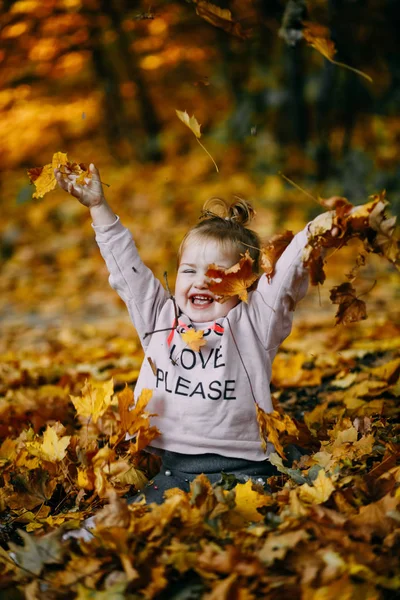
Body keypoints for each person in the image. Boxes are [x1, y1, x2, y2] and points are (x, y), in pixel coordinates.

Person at [55, 163, 332, 504]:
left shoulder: (255, 322)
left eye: (216, 272)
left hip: (247, 470)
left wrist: (315, 232)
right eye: (189, 270)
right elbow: (127, 271)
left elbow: (286, 277)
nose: (200, 280)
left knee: (243, 525)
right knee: (130, 523)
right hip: (173, 470)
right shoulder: (160, 316)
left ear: (243, 283)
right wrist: (98, 207)